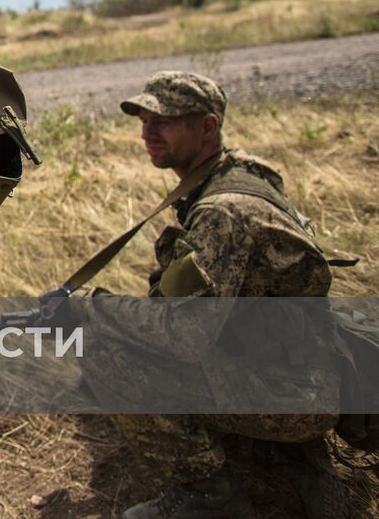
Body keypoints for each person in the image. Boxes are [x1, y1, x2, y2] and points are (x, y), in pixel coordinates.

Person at [104, 71, 337, 519]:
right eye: (144, 121)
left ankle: (210, 498)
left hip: (293, 393)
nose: (147, 134)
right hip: (303, 370)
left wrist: (95, 308)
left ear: (207, 127)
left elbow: (183, 338)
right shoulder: (242, 171)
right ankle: (281, 453)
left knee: (111, 354)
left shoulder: (221, 212)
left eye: (163, 122)